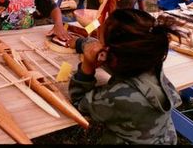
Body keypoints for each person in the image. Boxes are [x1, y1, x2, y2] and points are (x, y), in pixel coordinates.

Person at [68, 8, 182, 145]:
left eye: (102, 43)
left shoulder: (120, 96)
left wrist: (87, 65)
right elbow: (112, 57)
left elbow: (79, 102)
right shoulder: (149, 61)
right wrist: (81, 43)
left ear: (113, 57)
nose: (99, 45)